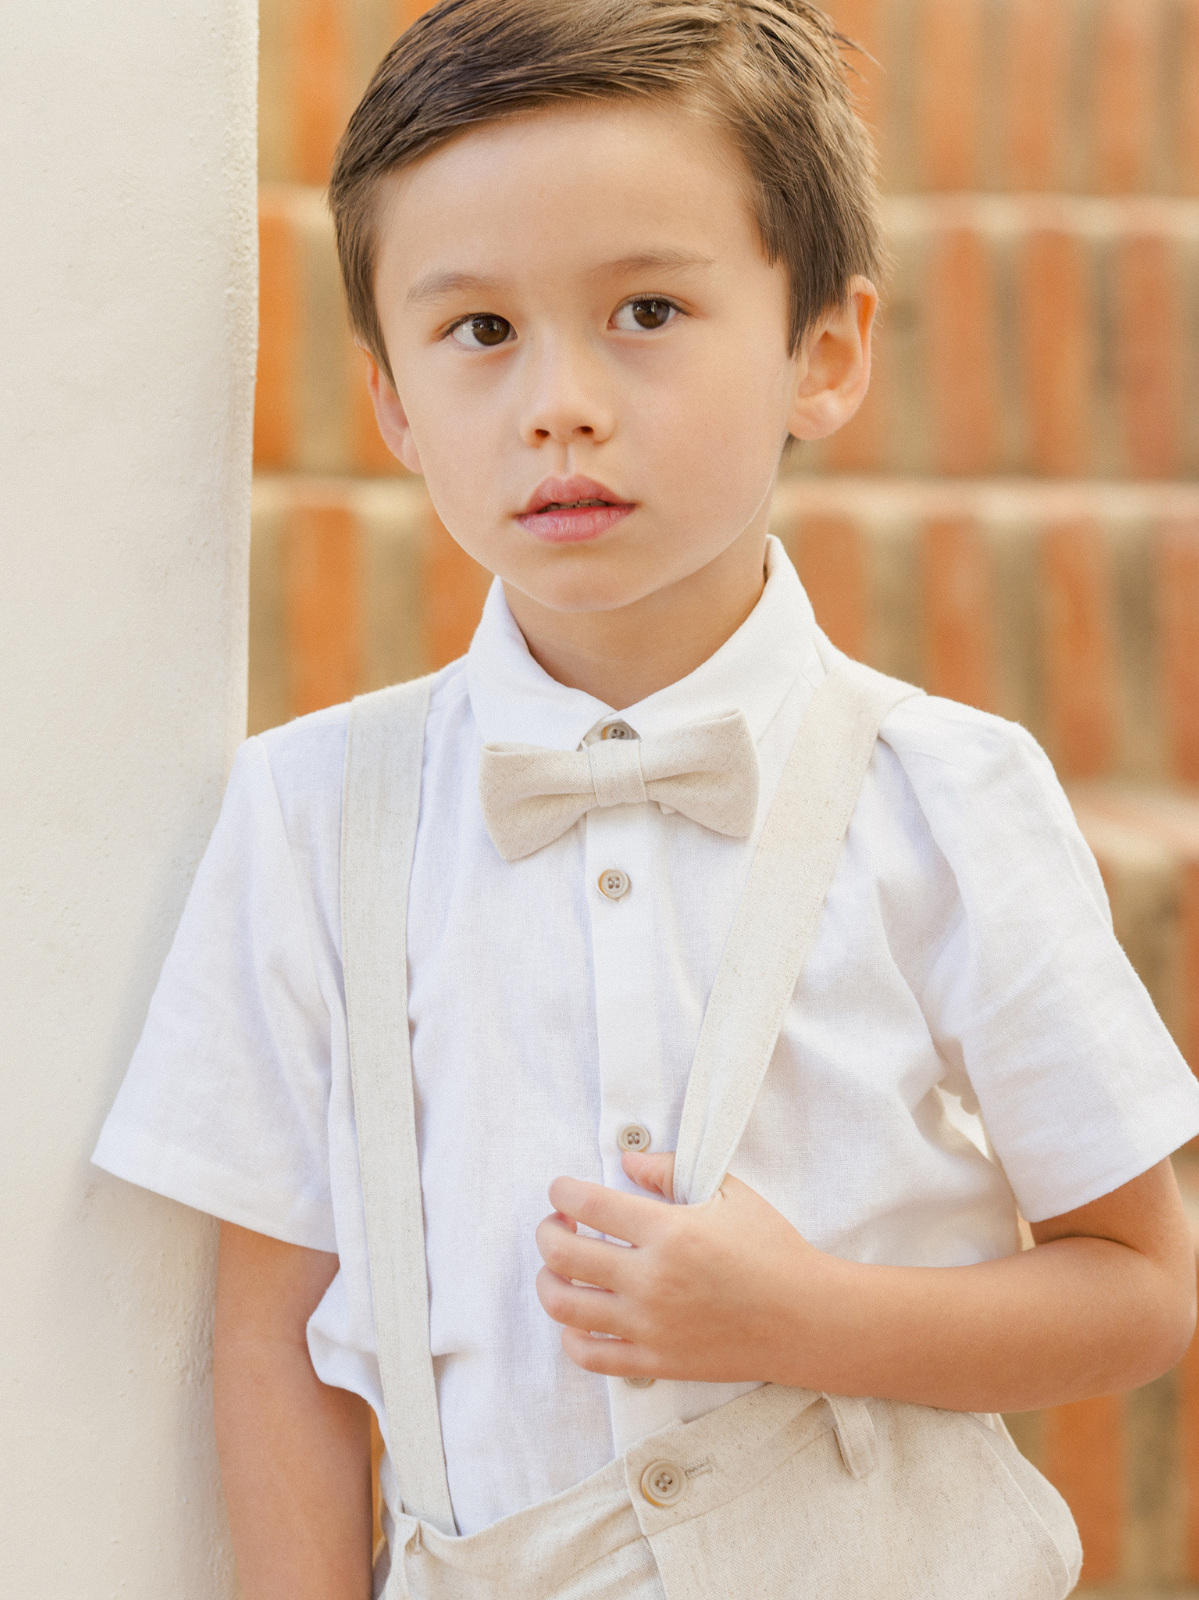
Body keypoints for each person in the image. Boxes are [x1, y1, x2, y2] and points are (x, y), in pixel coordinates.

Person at [93, 2, 1199, 1596]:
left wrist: (799, 1317)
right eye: (478, 332)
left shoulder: (949, 794)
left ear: (821, 352)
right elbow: (275, 1338)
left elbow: (1139, 1291)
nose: (559, 402)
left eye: (647, 310)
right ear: (394, 404)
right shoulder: (305, 812)